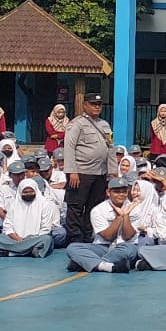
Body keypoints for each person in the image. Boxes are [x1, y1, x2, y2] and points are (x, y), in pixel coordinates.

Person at [63, 93, 113, 244]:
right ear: (85, 105)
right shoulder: (77, 124)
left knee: (94, 205)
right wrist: (72, 171)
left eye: (99, 104)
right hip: (81, 172)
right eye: (93, 104)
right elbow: (69, 147)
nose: (97, 107)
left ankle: (88, 234)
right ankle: (75, 237)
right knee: (76, 206)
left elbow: (110, 148)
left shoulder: (104, 125)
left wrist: (113, 171)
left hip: (100, 172)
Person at [66, 175, 142, 274]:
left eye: (124, 192)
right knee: (72, 248)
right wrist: (119, 217)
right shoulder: (98, 210)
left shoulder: (134, 208)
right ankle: (106, 266)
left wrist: (126, 215)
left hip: (125, 246)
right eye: (116, 192)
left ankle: (88, 263)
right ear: (108, 192)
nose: (121, 195)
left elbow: (128, 236)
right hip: (103, 247)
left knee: (130, 250)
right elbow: (108, 237)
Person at [0, 178, 63, 258]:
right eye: (25, 192)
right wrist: (16, 237)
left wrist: (30, 239)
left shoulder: (44, 205)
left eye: (31, 191)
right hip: (16, 238)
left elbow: (45, 228)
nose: (28, 194)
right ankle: (28, 251)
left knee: (47, 239)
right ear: (20, 192)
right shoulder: (14, 205)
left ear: (36, 191)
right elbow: (8, 225)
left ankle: (12, 253)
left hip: (36, 238)